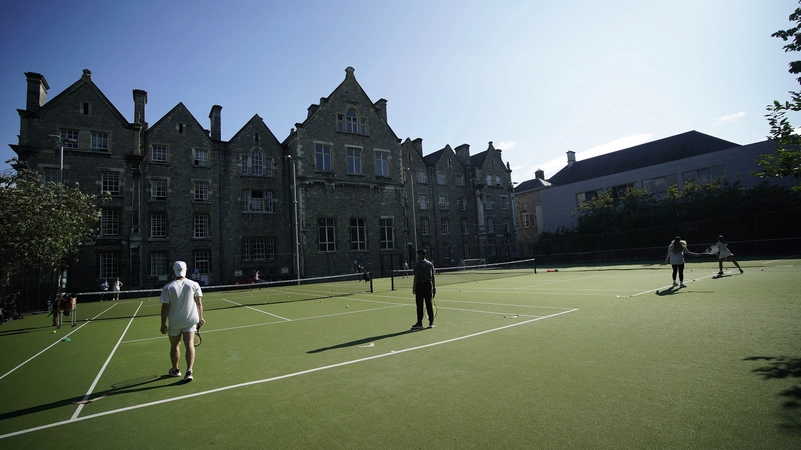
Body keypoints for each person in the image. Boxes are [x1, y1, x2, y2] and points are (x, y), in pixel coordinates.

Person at [160, 261, 204, 382]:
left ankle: (175, 370)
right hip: (190, 321)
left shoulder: (168, 287)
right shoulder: (194, 284)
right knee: (189, 344)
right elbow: (199, 303)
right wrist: (200, 318)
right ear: (186, 270)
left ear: (173, 271)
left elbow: (165, 307)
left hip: (175, 322)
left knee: (175, 346)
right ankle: (189, 371)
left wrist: (163, 324)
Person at [411, 248, 436, 330]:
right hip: (428, 285)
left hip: (420, 285)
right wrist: (434, 288)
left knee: (419, 305)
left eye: (418, 255)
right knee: (429, 303)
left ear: (420, 255)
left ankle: (419, 323)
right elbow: (433, 277)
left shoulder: (418, 265)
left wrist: (414, 287)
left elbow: (416, 276)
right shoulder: (430, 264)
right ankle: (431, 322)